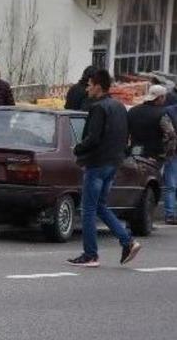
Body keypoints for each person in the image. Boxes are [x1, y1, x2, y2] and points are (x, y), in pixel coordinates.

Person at [68, 69, 141, 267]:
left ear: (98, 87)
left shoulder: (98, 107)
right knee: (100, 206)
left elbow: (93, 138)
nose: (87, 89)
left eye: (90, 85)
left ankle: (90, 255)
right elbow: (124, 135)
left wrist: (78, 148)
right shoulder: (118, 106)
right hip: (113, 163)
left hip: (97, 163)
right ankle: (127, 241)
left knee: (89, 209)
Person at [127, 84, 176, 161]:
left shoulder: (132, 111)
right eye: (164, 97)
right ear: (160, 97)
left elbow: (126, 132)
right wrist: (167, 154)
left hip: (135, 151)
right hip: (154, 155)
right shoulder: (161, 114)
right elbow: (171, 135)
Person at [164, 103, 177, 225]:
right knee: (171, 185)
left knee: (171, 185)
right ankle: (170, 214)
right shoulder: (169, 111)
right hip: (173, 152)